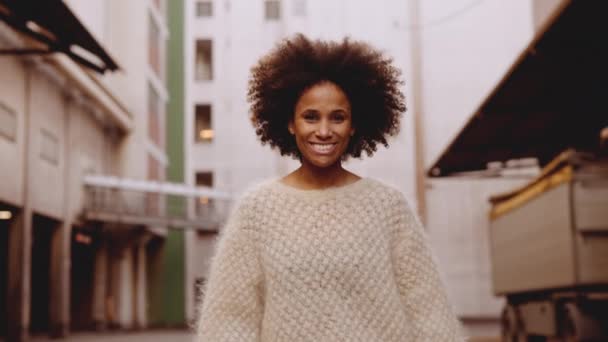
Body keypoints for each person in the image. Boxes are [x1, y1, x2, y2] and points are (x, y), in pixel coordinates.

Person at [195, 34, 464, 341]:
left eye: (337, 118)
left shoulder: (388, 207)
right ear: (290, 123)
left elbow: (429, 313)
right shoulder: (257, 210)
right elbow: (229, 321)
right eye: (310, 117)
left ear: (353, 126)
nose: (323, 131)